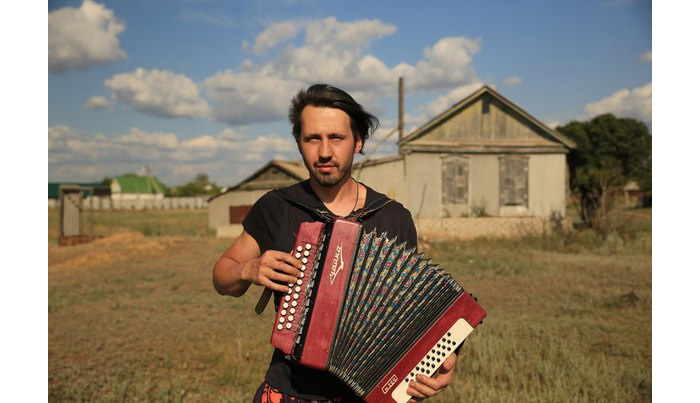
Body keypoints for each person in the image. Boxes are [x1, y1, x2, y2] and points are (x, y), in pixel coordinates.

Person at [212, 84, 460, 402]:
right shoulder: (278, 206)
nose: (325, 152)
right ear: (299, 143)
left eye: (337, 138)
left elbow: (410, 313)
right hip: (290, 391)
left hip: (370, 391)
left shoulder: (393, 218)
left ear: (358, 142)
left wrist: (441, 360)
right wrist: (248, 269)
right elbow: (222, 277)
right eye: (312, 138)